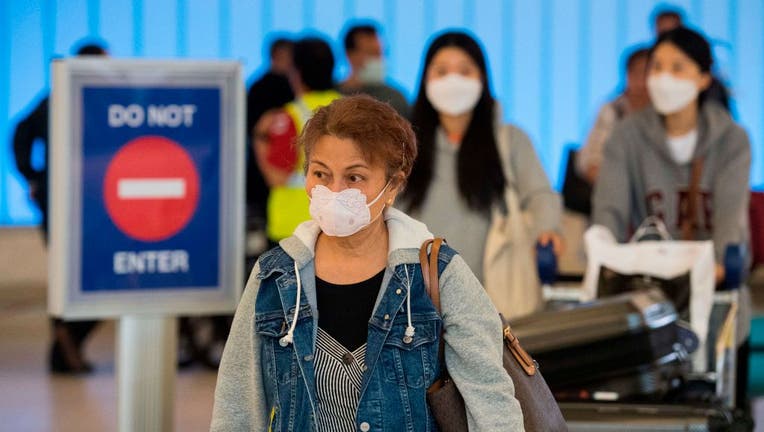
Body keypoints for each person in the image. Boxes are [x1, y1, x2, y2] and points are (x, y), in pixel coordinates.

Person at [211, 95, 524, 431]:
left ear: (394, 185)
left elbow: (490, 399)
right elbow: (237, 409)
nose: (333, 191)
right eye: (320, 173)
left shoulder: (437, 273)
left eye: (354, 178)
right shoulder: (274, 277)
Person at [591, 26, 751, 407]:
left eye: (678, 67)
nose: (664, 77)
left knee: (716, 406)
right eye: (657, 66)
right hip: (647, 302)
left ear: (703, 78)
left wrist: (715, 263)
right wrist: (603, 248)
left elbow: (731, 225)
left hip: (715, 304)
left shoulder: (732, 139)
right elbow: (608, 214)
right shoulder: (625, 137)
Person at [399, 31, 562, 289]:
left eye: (464, 71)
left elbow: (541, 195)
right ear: (425, 80)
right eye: (441, 72)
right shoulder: (405, 144)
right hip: (417, 299)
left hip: (492, 294)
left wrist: (547, 230)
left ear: (483, 78)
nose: (453, 81)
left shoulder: (509, 140)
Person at [13, 41, 108, 374]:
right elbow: (19, 135)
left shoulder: (99, 103)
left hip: (92, 205)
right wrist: (34, 176)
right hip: (62, 204)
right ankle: (65, 349)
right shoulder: (59, 100)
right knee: (69, 277)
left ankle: (65, 349)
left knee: (96, 278)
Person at [254, 36, 342, 246]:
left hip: (293, 227)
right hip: (341, 223)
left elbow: (276, 177)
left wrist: (259, 138)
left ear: (296, 73)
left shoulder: (289, 117)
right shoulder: (351, 110)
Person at [577, 47, 650, 184]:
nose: (643, 81)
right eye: (638, 73)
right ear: (628, 75)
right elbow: (590, 162)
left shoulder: (666, 114)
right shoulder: (612, 110)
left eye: (649, 73)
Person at [652, 7, 731, 111]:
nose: (668, 39)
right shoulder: (645, 67)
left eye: (678, 68)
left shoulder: (713, 90)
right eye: (663, 34)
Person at [338, 22, 409, 118]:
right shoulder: (332, 95)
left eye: (381, 53)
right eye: (372, 53)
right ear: (349, 55)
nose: (379, 59)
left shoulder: (395, 99)